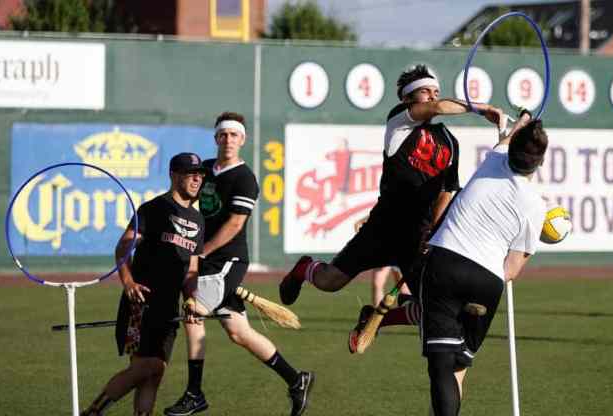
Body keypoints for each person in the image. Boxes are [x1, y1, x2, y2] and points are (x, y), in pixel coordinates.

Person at [279, 65, 504, 310]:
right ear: (408, 99)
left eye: (436, 91)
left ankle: (380, 319)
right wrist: (481, 108)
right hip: (383, 226)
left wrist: (434, 231)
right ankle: (304, 269)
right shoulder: (400, 121)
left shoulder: (450, 141)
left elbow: (447, 191)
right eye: (425, 91)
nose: (433, 96)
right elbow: (439, 108)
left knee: (430, 301)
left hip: (418, 233)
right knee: (329, 282)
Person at [164, 112, 313, 416]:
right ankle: (296, 379)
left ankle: (195, 394)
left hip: (226, 260)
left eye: (234, 135)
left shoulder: (245, 179)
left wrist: (200, 251)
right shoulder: (203, 169)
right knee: (239, 332)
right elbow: (185, 204)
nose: (228, 140)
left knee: (193, 313)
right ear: (216, 138)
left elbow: (233, 225)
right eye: (223, 134)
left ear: (242, 140)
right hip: (203, 259)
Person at [421, 112, 547, 415]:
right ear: (540, 162)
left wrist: (522, 119)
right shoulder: (536, 206)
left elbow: (508, 138)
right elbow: (512, 269)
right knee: (459, 361)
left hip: (446, 263)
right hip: (487, 280)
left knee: (441, 366)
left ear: (512, 146)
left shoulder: (493, 162)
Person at [81, 153, 207, 416]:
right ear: (174, 175)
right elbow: (122, 248)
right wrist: (128, 282)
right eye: (190, 173)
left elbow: (191, 269)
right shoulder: (153, 209)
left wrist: (191, 299)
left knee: (154, 375)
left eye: (200, 174)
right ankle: (92, 412)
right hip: (141, 304)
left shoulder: (198, 220)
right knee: (146, 367)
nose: (197, 178)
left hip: (169, 308)